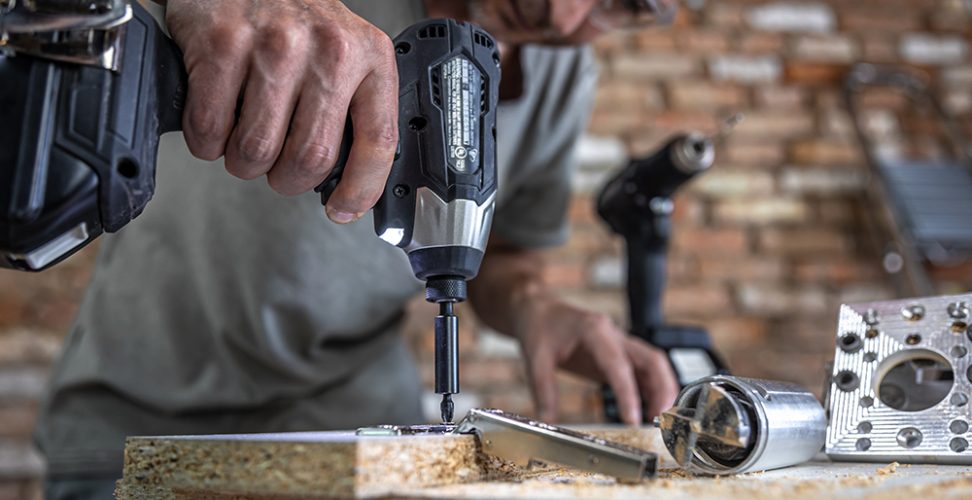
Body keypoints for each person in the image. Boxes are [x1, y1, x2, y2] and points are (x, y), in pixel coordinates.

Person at [36, 1, 680, 498]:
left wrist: (535, 305)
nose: (559, 13)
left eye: (620, 3)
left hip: (357, 429)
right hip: (140, 419)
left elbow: (503, 251)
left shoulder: (564, 76)